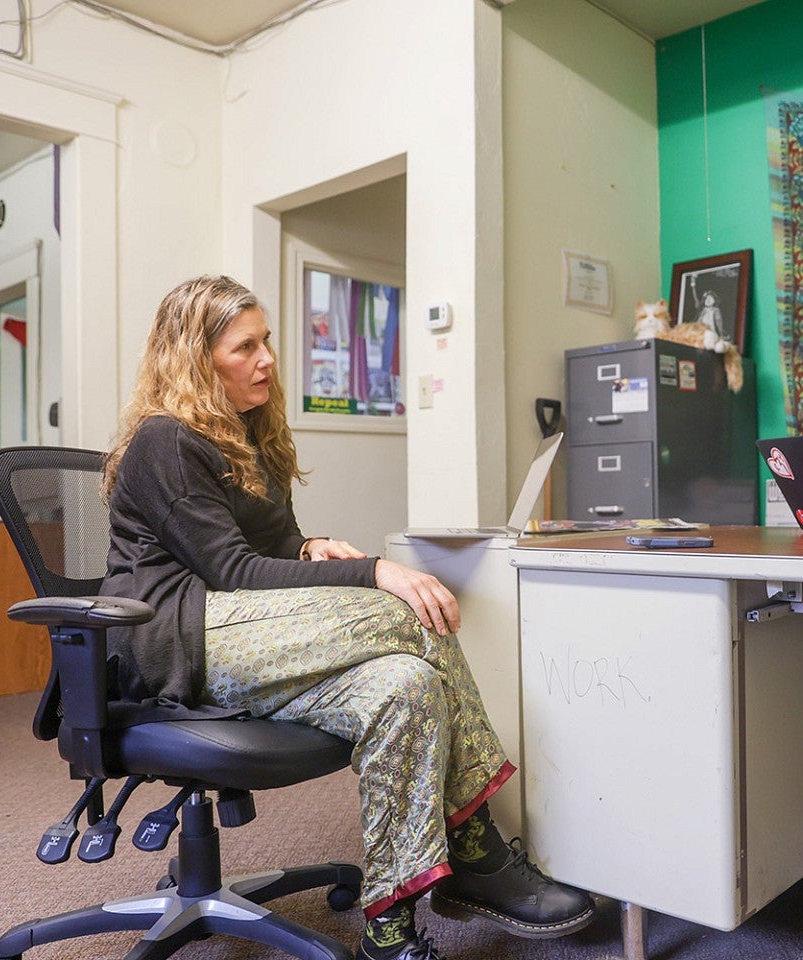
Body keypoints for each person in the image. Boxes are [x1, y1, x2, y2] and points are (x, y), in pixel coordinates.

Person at [101, 275, 594, 960]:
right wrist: (374, 571)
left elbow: (265, 552)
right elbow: (233, 573)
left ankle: (388, 930)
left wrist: (306, 546)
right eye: (245, 347)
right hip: (177, 638)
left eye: (266, 340)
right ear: (194, 360)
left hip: (246, 634)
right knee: (406, 611)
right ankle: (480, 850)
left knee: (406, 687)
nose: (267, 358)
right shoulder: (166, 441)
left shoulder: (250, 434)